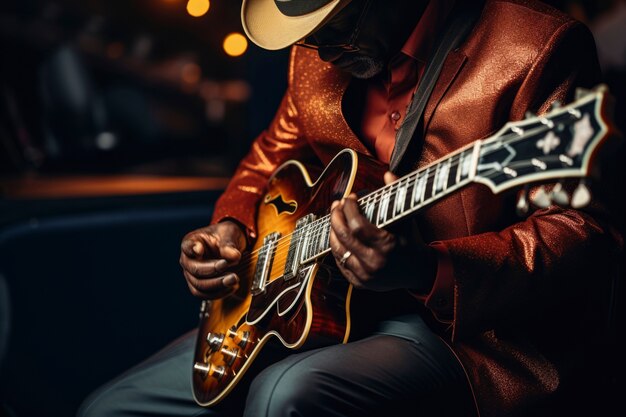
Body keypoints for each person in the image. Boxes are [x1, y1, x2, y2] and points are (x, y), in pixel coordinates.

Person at [78, 0, 621, 416]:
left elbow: (584, 235)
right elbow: (266, 161)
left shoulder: (535, 46)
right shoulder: (316, 51)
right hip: (316, 307)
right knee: (111, 406)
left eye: (338, 18)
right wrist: (231, 228)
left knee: (283, 396)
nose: (317, 44)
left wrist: (425, 268)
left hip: (473, 338)